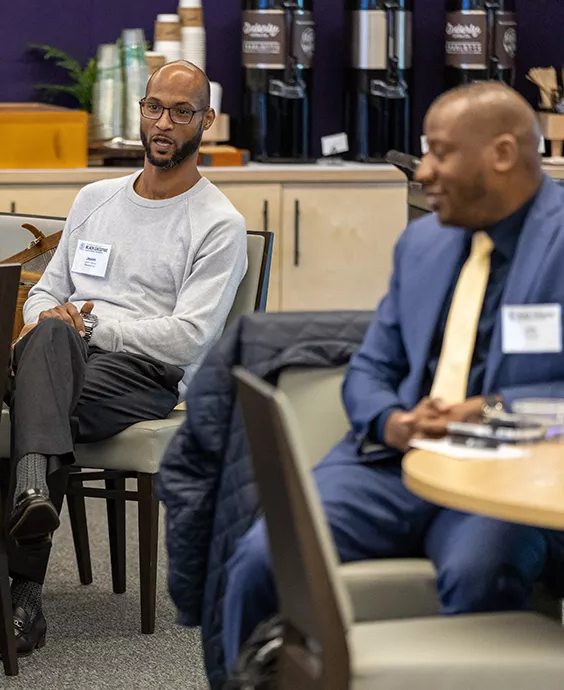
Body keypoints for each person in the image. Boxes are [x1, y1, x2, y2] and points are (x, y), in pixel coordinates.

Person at [222, 81, 564, 668]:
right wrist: (393, 420)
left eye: (440, 152)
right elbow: (373, 366)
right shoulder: (422, 243)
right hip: (394, 463)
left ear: (502, 155)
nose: (422, 170)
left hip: (509, 483)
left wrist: (486, 410)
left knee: (480, 573)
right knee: (264, 557)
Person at [0, 61, 248, 659]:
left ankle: (19, 567)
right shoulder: (95, 199)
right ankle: (23, 569)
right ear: (141, 112)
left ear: (207, 121)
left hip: (145, 374)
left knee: (35, 386)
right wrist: (53, 319)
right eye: (155, 107)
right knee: (47, 340)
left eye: (181, 112)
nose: (164, 123)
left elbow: (189, 338)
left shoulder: (218, 224)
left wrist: (91, 323)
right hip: (62, 358)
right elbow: (46, 292)